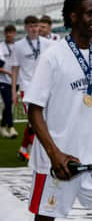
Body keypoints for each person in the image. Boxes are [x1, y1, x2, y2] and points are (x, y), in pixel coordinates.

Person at [24, 0, 92, 220]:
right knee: (45, 218)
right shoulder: (52, 56)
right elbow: (34, 110)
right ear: (73, 17)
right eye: (91, 13)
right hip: (58, 159)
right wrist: (54, 154)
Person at [11, 15, 53, 161]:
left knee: (43, 120)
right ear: (26, 28)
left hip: (44, 86)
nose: (34, 29)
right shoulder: (18, 46)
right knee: (33, 121)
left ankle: (24, 149)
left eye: (36, 26)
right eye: (31, 26)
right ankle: (33, 151)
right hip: (27, 87)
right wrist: (13, 92)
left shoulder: (48, 43)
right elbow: (15, 69)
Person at [1, 24, 18, 138]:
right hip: (3, 80)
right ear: (4, 34)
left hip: (15, 81)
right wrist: (9, 73)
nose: (9, 34)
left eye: (11, 32)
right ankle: (11, 128)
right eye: (7, 32)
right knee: (8, 103)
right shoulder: (1, 46)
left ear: (14, 33)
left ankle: (2, 127)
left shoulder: (19, 46)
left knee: (9, 104)